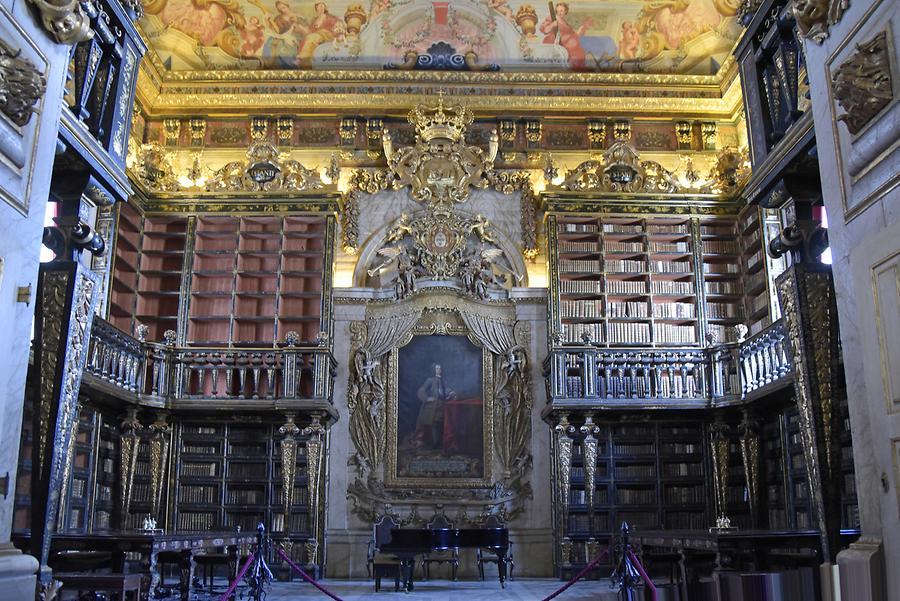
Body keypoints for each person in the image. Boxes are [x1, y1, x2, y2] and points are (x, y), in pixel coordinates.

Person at [411, 363, 457, 449]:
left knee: (441, 423)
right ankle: (435, 443)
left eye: (440, 368)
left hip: (442, 405)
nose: (439, 370)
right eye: (437, 368)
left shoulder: (443, 380)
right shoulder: (430, 380)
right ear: (434, 370)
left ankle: (439, 442)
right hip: (432, 406)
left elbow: (446, 389)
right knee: (434, 424)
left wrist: (451, 393)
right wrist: (427, 398)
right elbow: (421, 390)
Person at [540, 2, 594, 70]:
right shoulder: (552, 18)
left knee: (580, 55)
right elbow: (544, 30)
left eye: (562, 10)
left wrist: (584, 26)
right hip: (556, 43)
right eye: (558, 10)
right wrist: (552, 25)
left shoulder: (565, 23)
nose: (559, 12)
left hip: (569, 47)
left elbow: (575, 34)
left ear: (565, 11)